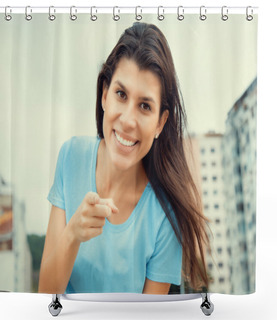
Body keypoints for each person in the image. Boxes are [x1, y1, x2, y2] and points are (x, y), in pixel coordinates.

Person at [38, 22, 210, 294]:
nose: (128, 120)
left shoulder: (166, 214)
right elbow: (44, 297)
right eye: (121, 94)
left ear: (159, 124)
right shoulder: (70, 156)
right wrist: (72, 235)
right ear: (105, 95)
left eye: (144, 106)